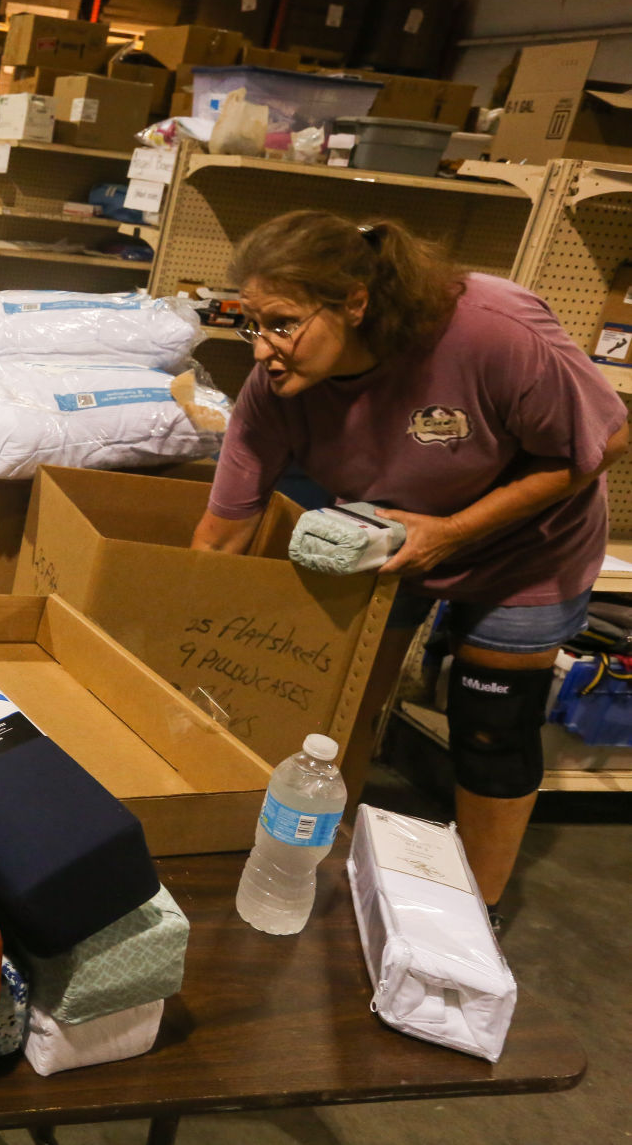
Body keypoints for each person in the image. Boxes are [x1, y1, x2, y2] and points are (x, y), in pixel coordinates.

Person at [192, 210, 628, 925]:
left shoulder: (489, 329)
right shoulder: (273, 391)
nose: (262, 349)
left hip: (527, 545)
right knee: (338, 705)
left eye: (281, 322)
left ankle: (476, 912)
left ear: (354, 303)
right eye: (251, 324)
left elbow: (604, 442)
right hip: (386, 540)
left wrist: (453, 533)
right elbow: (218, 538)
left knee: (490, 723)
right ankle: (321, 862)